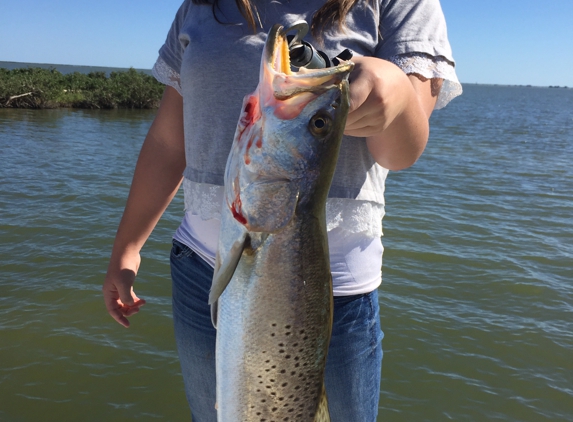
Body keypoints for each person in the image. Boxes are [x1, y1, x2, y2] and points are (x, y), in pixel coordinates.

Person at [102, 0, 461, 420]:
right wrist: (127, 247)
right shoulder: (200, 7)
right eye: (317, 123)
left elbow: (403, 152)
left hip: (333, 296)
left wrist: (396, 92)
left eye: (317, 123)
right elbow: (169, 140)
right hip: (199, 268)